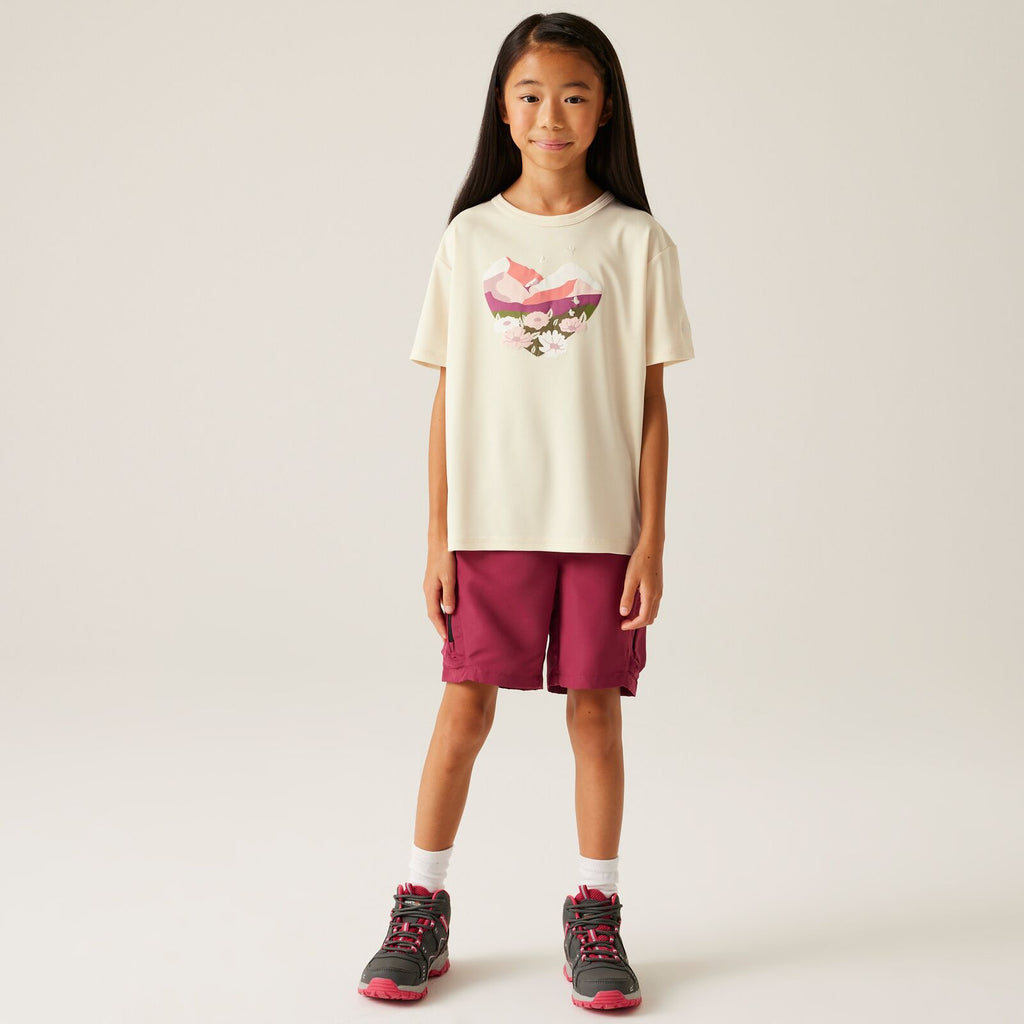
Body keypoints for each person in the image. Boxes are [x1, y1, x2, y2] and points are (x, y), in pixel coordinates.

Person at [357, 11, 695, 1011]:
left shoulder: (637, 242)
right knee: (464, 708)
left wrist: (650, 542)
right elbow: (447, 396)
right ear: (503, 111)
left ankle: (595, 912)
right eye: (532, 95)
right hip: (491, 525)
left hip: (600, 530)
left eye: (574, 96)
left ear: (605, 111)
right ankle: (420, 906)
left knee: (595, 716)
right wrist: (438, 538)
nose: (552, 115)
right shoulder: (469, 240)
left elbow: (651, 406)